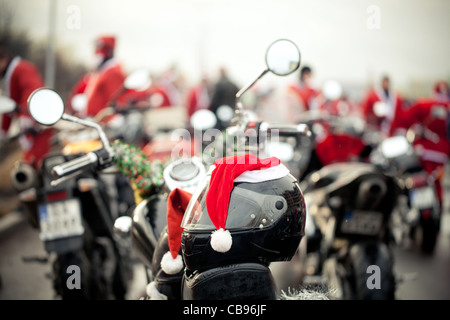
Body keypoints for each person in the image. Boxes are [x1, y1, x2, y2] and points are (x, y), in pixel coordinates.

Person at [0, 42, 52, 169]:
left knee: (39, 163)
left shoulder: (21, 68)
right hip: (33, 123)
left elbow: (32, 90)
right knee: (31, 161)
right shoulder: (13, 72)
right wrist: (4, 131)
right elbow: (10, 104)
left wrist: (25, 116)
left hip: (38, 124)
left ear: (4, 60)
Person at [405, 80, 450, 207]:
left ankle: (418, 206)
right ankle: (439, 203)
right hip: (442, 151)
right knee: (437, 182)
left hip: (423, 150)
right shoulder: (447, 106)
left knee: (421, 179)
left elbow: (407, 118)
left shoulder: (423, 104)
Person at [69, 35, 126, 117]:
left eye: (98, 49)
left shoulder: (113, 73)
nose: (95, 53)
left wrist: (110, 120)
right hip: (91, 120)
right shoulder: (100, 72)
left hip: (101, 123)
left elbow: (114, 102)